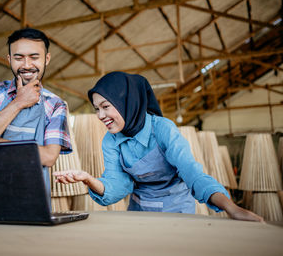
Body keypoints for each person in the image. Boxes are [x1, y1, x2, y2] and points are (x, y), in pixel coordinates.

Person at [54, 71, 263, 222]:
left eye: (106, 107)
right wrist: (89, 180)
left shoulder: (162, 129)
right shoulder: (111, 140)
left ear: (127, 102)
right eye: (96, 109)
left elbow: (193, 174)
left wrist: (231, 208)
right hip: (139, 211)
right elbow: (117, 185)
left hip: (178, 210)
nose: (100, 116)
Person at [0, 28, 72, 199]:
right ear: (9, 59)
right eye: (19, 58)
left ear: (47, 59)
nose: (27, 65)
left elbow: (50, 157)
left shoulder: (56, 104)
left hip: (33, 199)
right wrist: (18, 103)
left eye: (34, 57)